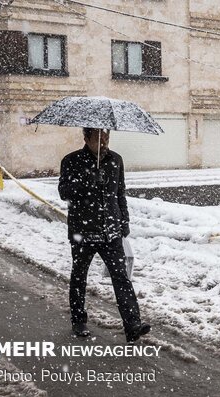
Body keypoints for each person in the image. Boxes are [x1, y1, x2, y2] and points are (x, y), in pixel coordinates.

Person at [58, 127, 150, 343]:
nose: (104, 141)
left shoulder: (116, 160)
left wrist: (123, 221)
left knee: (121, 277)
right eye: (99, 137)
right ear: (86, 138)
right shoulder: (71, 161)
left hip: (111, 230)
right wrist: (88, 180)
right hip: (84, 230)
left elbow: (120, 194)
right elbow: (64, 192)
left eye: (107, 136)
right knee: (79, 276)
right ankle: (79, 320)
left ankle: (133, 325)